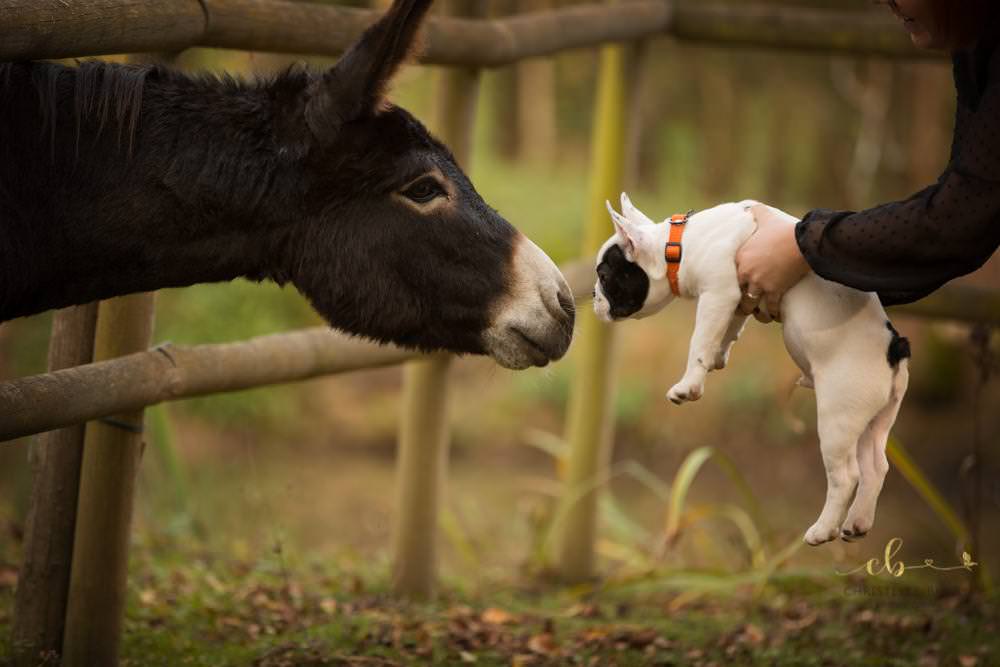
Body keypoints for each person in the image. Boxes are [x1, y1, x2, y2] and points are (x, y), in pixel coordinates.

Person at [735, 0, 1000, 322]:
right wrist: (806, 251)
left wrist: (803, 246)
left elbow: (960, 218)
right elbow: (967, 198)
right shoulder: (977, 42)